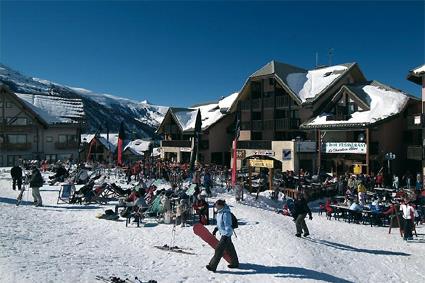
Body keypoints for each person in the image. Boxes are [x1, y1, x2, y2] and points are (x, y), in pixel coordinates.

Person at [206, 199, 239, 272]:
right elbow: (220, 224)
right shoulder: (219, 213)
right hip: (225, 234)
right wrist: (216, 229)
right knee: (230, 249)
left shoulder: (226, 214)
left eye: (217, 205)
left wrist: (226, 235)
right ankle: (235, 263)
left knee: (218, 250)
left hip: (226, 235)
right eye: (215, 205)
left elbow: (228, 225)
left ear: (221, 205)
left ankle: (212, 266)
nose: (216, 206)